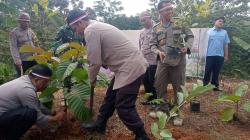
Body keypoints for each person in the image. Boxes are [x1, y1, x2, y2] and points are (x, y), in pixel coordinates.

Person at [66, 9, 149, 140]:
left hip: (130, 67)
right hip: (125, 66)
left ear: (80, 22)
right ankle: (100, 124)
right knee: (110, 97)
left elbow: (94, 61)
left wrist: (91, 79)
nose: (75, 31)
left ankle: (141, 135)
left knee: (124, 106)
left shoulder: (90, 30)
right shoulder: (95, 25)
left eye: (74, 28)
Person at [0, 64, 66, 140]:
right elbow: (39, 119)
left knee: (29, 111)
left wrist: (52, 112)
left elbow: (36, 103)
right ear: (36, 80)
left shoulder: (25, 80)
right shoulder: (26, 89)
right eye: (45, 82)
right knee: (30, 114)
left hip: (3, 116)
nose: (47, 85)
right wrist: (55, 119)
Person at [150, 0, 194, 109]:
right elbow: (152, 45)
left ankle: (177, 112)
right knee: (159, 86)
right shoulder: (156, 28)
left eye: (171, 8)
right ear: (160, 12)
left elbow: (190, 36)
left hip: (178, 60)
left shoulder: (179, 22)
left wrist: (187, 46)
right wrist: (158, 52)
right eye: (166, 9)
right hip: (163, 61)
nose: (170, 11)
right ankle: (162, 109)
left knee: (179, 88)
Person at [203, 17, 230, 91]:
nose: (221, 23)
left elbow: (226, 44)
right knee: (207, 70)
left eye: (222, 22)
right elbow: (204, 43)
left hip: (220, 55)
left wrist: (226, 55)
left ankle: (215, 86)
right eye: (219, 21)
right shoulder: (208, 31)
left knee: (216, 71)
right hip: (209, 55)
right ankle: (204, 86)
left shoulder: (224, 32)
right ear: (215, 22)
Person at [139, 11, 157, 105]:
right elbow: (140, 45)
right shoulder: (142, 32)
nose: (143, 22)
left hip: (154, 60)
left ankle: (155, 101)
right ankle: (149, 99)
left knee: (153, 81)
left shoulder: (157, 29)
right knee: (145, 80)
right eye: (141, 21)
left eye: (144, 20)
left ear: (149, 17)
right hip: (144, 61)